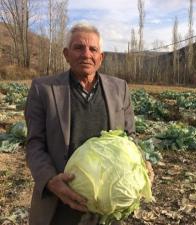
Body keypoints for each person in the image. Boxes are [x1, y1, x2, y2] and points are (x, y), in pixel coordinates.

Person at [25, 22, 154, 225]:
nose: (86, 54)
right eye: (78, 47)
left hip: (108, 208)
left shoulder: (120, 88)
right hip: (60, 205)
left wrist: (140, 162)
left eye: (93, 49)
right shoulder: (44, 89)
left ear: (100, 57)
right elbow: (34, 144)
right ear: (66, 54)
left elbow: (129, 137)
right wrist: (50, 181)